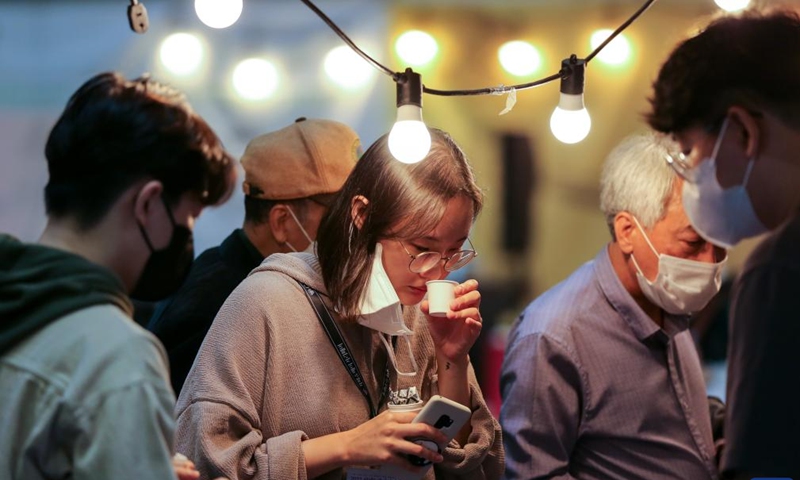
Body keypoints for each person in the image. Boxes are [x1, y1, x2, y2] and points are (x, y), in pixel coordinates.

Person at [173, 129, 504, 480]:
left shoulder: (424, 313)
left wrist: (452, 358)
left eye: (454, 253)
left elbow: (475, 470)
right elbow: (202, 463)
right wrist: (346, 447)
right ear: (361, 214)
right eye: (422, 249)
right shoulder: (264, 302)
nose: (436, 272)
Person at [0, 72, 236, 479]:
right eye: (190, 216)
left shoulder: (16, 304)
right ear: (148, 204)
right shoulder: (118, 361)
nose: (188, 235)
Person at [500, 133, 728, 480]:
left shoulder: (666, 302)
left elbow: (661, 422)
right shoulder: (552, 338)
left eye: (720, 243)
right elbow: (534, 474)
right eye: (693, 243)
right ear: (627, 231)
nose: (711, 261)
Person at [646, 8, 800, 480]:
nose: (688, 175)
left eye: (689, 150)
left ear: (743, 132)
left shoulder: (780, 272)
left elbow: (764, 472)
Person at [147, 117, 360, 394]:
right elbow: (192, 432)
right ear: (282, 222)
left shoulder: (283, 285)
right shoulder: (214, 307)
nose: (354, 226)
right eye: (339, 214)